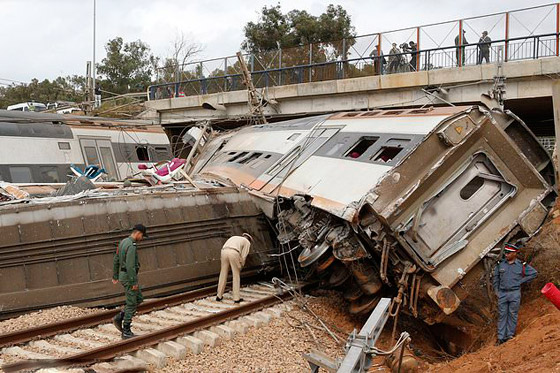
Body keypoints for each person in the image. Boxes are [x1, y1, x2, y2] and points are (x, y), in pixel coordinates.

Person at [492, 243, 537, 345]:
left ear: (515, 253)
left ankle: (509, 336)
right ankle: (500, 338)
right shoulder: (500, 264)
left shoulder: (521, 265)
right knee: (502, 315)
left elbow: (534, 273)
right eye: (506, 253)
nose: (506, 255)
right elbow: (496, 278)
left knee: (512, 314)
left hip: (514, 293)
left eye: (508, 253)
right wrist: (496, 291)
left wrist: (521, 281)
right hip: (502, 294)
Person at [112, 224, 147, 339]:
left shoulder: (123, 242)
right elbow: (131, 266)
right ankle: (126, 330)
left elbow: (116, 259)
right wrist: (134, 283)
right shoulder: (131, 245)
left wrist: (115, 275)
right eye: (142, 236)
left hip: (123, 275)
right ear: (138, 233)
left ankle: (121, 316)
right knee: (132, 303)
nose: (141, 239)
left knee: (138, 298)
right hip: (129, 277)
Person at [216, 233, 253, 303]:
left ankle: (219, 295)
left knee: (223, 273)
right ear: (249, 240)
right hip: (234, 252)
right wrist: (241, 266)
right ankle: (236, 298)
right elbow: (243, 256)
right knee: (236, 275)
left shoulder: (234, 237)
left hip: (224, 251)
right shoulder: (247, 242)